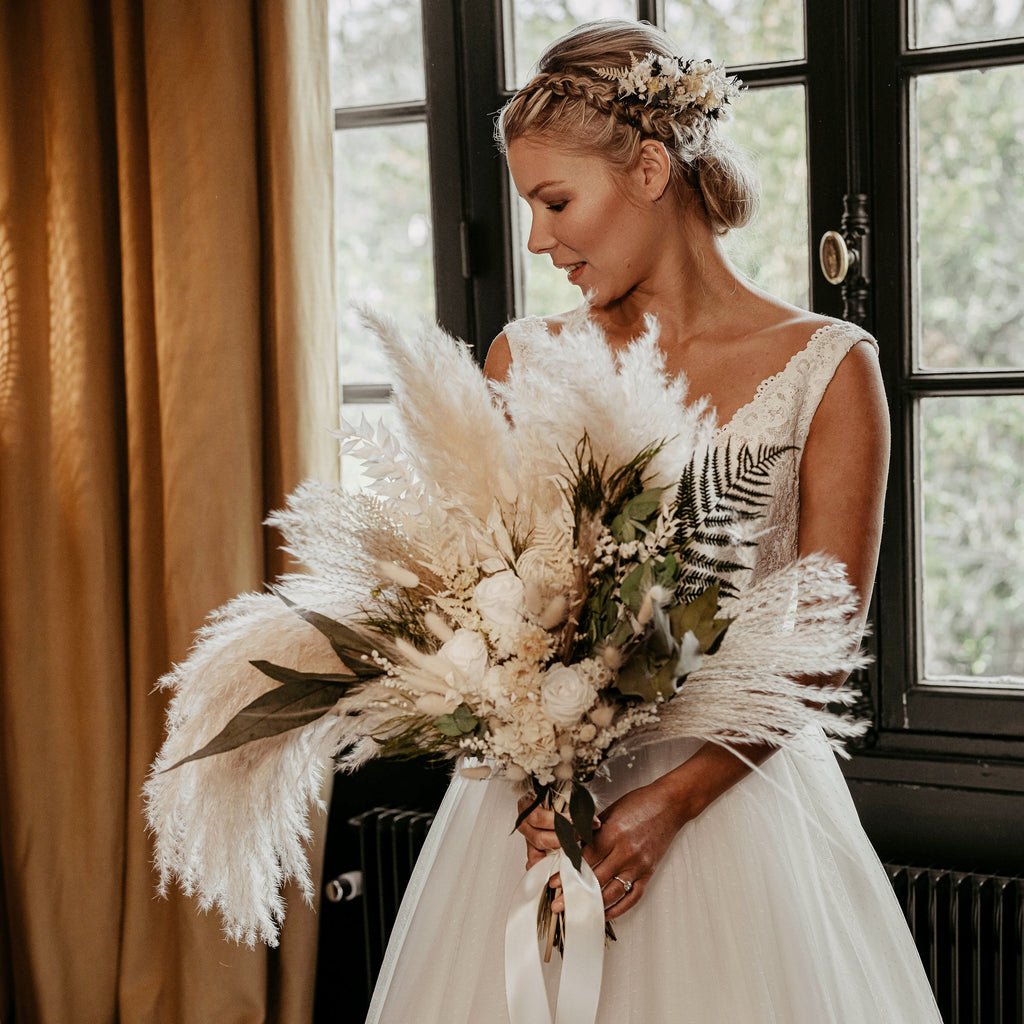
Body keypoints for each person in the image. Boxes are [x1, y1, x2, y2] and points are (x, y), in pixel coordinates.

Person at [365, 19, 943, 1023]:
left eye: (555, 202)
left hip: (734, 812)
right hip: (533, 819)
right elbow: (484, 604)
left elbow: (820, 648)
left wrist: (667, 805)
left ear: (644, 169)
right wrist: (532, 776)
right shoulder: (522, 358)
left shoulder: (827, 367)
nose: (539, 241)